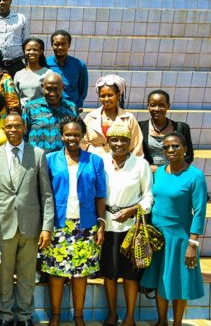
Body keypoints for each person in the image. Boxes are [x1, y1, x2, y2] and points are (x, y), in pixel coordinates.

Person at [0, 113, 54, 326]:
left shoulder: (38, 154)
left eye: (17, 126)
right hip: (3, 226)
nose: (13, 130)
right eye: (9, 126)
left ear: (24, 127)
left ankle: (24, 316)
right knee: (4, 276)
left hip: (31, 226)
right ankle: (5, 316)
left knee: (26, 276)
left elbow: (46, 195)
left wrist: (47, 227)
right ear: (3, 129)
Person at [41, 116, 107, 326]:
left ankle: (78, 316)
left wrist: (101, 224)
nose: (72, 138)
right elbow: (44, 194)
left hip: (85, 225)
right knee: (57, 273)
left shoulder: (94, 161)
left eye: (76, 134)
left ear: (82, 136)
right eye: (68, 134)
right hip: (57, 224)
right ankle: (56, 315)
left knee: (80, 273)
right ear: (62, 135)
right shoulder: (50, 160)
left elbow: (100, 194)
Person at [140, 132, 207, 326]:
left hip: (180, 238)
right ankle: (162, 321)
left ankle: (176, 323)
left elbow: (200, 211)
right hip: (158, 237)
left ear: (185, 149)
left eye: (175, 146)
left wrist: (192, 243)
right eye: (167, 147)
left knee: (178, 282)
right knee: (161, 280)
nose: (170, 150)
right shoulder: (159, 172)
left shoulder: (195, 176)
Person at [100, 123, 154, 326]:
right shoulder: (101, 162)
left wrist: (131, 210)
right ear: (108, 142)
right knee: (109, 273)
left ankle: (130, 316)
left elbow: (148, 197)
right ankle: (112, 313)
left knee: (130, 275)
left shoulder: (141, 164)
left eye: (124, 139)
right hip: (107, 225)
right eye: (114, 139)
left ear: (130, 142)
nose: (119, 143)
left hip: (131, 227)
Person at [82, 75, 143, 157]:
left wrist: (128, 164)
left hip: (121, 165)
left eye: (110, 95)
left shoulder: (129, 118)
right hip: (94, 164)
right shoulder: (90, 117)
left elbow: (136, 146)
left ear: (118, 95)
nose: (106, 99)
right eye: (102, 96)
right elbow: (83, 143)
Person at [21, 72, 78, 153]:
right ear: (42, 87)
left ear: (63, 87)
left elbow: (76, 134)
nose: (52, 93)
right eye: (48, 88)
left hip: (62, 160)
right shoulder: (30, 107)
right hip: (36, 160)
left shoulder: (71, 108)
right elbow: (23, 135)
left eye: (56, 89)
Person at [139, 89, 194, 172]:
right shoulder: (140, 127)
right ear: (148, 106)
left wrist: (171, 169)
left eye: (161, 105)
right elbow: (135, 154)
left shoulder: (181, 127)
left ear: (168, 106)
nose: (157, 109)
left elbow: (189, 155)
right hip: (148, 174)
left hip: (173, 173)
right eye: (153, 105)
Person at [47, 30, 88, 110]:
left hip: (72, 109)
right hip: (51, 109)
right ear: (52, 45)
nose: (60, 47)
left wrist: (77, 105)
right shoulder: (46, 64)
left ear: (69, 45)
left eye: (63, 44)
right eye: (56, 44)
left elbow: (83, 89)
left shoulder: (79, 65)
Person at [14, 38, 50, 106]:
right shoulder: (18, 74)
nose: (31, 52)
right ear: (24, 52)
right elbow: (16, 99)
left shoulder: (48, 74)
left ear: (41, 52)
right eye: (28, 50)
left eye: (35, 50)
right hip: (24, 115)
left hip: (42, 114)